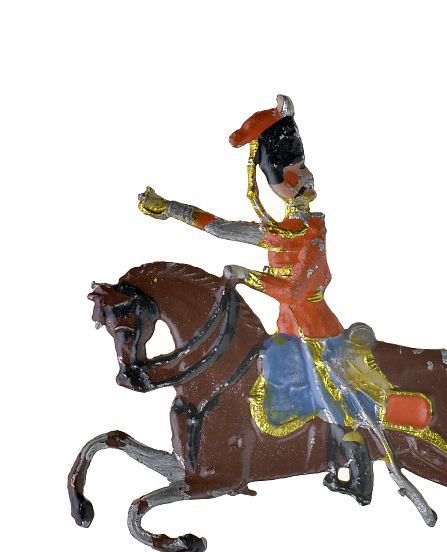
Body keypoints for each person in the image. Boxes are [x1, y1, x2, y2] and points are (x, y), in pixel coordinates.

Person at [138, 95, 430, 507]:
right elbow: (219, 228)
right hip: (287, 333)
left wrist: (249, 276)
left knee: (329, 395)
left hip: (319, 333)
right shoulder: (276, 232)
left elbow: (295, 292)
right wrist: (169, 208)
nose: (303, 180)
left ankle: (359, 470)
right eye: (294, 175)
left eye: (303, 172)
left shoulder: (312, 233)